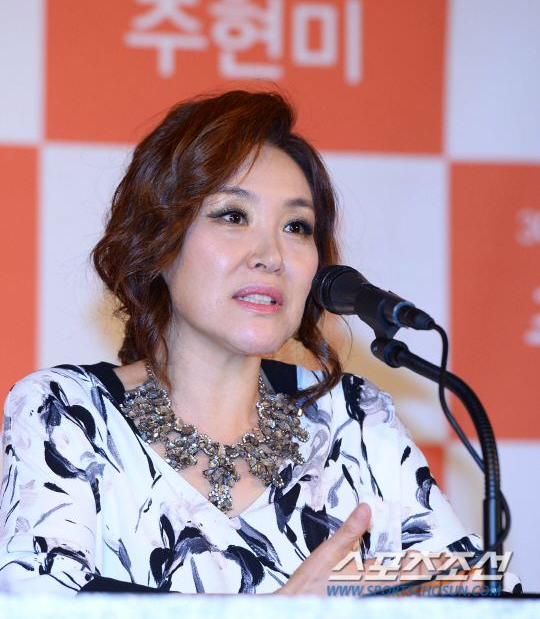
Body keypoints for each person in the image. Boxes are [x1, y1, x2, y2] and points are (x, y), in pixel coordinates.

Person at [0, 90, 494, 595]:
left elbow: (478, 592)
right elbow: (40, 598)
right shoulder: (67, 413)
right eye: (234, 216)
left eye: (296, 227)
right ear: (158, 243)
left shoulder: (356, 420)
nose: (272, 255)